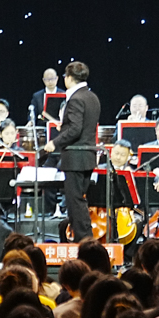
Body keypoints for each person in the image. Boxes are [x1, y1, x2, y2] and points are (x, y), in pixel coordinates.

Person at [44, 61, 101, 242]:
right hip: (87, 155)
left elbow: (76, 129)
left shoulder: (75, 98)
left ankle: (85, 241)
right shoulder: (92, 97)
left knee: (75, 202)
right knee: (78, 201)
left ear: (68, 78)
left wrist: (55, 142)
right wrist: (65, 127)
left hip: (76, 156)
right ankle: (82, 240)